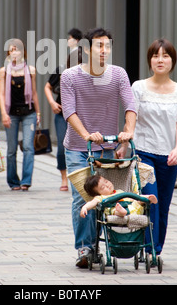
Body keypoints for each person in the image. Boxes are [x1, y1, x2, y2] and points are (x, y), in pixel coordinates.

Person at [60, 27, 137, 268]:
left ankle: (109, 243)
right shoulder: (70, 76)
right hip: (77, 147)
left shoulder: (118, 75)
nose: (104, 50)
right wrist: (86, 135)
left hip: (108, 147)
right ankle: (85, 249)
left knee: (108, 195)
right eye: (98, 46)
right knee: (82, 196)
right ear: (86, 48)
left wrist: (127, 134)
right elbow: (69, 110)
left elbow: (130, 104)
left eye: (108, 46)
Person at [132, 38, 177, 258]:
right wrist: (126, 143)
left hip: (168, 157)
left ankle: (156, 248)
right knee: (150, 200)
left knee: (163, 205)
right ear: (150, 60)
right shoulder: (138, 87)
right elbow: (132, 118)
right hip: (144, 152)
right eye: (156, 55)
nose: (160, 60)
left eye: (165, 55)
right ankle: (149, 250)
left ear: (172, 61)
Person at [0, 38, 41, 191]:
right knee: (11, 150)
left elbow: (34, 93)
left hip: (28, 112)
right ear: (8, 53)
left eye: (17, 49)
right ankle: (13, 181)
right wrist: (4, 113)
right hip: (11, 113)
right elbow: (2, 94)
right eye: (12, 50)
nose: (15, 52)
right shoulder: (4, 71)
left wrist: (38, 112)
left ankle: (26, 180)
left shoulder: (31, 70)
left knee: (29, 147)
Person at [44, 45, 82, 191]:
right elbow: (47, 87)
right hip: (62, 115)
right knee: (61, 147)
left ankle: (78, 179)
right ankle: (64, 178)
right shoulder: (62, 71)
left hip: (81, 116)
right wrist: (52, 103)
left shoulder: (88, 73)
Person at [80, 174, 157, 219]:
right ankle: (121, 212)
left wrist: (135, 199)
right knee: (113, 210)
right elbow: (92, 202)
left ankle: (147, 198)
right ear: (98, 194)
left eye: (106, 181)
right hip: (117, 212)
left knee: (138, 199)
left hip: (132, 208)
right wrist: (85, 208)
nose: (107, 185)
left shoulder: (119, 191)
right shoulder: (100, 197)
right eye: (103, 187)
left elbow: (130, 198)